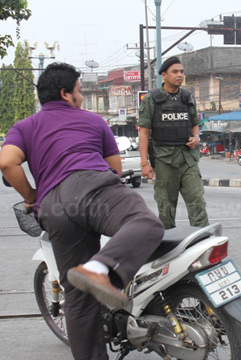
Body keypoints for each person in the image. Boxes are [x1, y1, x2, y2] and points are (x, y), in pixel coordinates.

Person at [0, 62, 164, 360]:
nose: (81, 97)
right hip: (96, 189)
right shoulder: (93, 121)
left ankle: (90, 277)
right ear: (65, 94)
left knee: (77, 296)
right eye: (78, 91)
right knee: (145, 224)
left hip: (54, 206)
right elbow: (115, 169)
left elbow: (7, 163)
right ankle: (100, 268)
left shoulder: (24, 126)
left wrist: (32, 197)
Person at [138, 56, 209, 229]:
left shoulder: (187, 97)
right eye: (175, 72)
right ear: (164, 75)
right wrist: (144, 162)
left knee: (197, 202)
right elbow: (144, 132)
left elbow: (195, 123)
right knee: (166, 208)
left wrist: (196, 138)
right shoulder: (152, 99)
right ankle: (169, 247)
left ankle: (202, 245)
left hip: (188, 158)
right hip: (164, 160)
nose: (180, 75)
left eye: (182, 72)